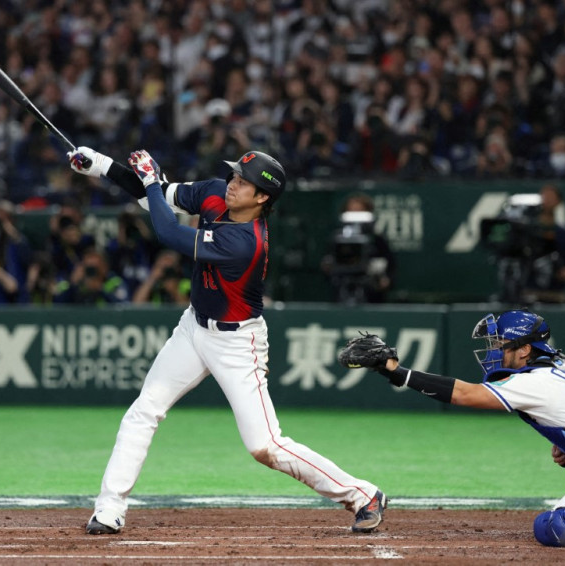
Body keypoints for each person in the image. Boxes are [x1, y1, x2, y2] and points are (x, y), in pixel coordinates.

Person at [68, 145, 387, 536]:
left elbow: (167, 230)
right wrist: (100, 166)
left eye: (244, 181)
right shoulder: (217, 192)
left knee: (265, 446)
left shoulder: (245, 242)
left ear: (262, 197)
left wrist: (150, 180)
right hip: (193, 328)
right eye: (236, 175)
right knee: (144, 410)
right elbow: (156, 195)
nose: (234, 184)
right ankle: (109, 509)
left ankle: (363, 494)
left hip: (238, 343)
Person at [341, 310, 565, 547]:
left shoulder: (534, 382)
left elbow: (466, 394)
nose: (495, 349)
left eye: (501, 344)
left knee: (554, 526)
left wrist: (397, 372)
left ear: (525, 349)